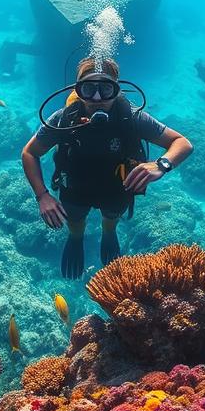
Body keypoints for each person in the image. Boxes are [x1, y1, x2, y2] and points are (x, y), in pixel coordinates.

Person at [21, 57, 193, 279]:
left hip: (117, 187)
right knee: (74, 219)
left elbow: (182, 143)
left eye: (106, 89)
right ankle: (76, 239)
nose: (97, 98)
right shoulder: (64, 119)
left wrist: (162, 164)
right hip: (75, 187)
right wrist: (42, 196)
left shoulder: (131, 117)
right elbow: (29, 153)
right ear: (77, 89)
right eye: (89, 88)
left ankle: (109, 232)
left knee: (111, 216)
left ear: (117, 90)